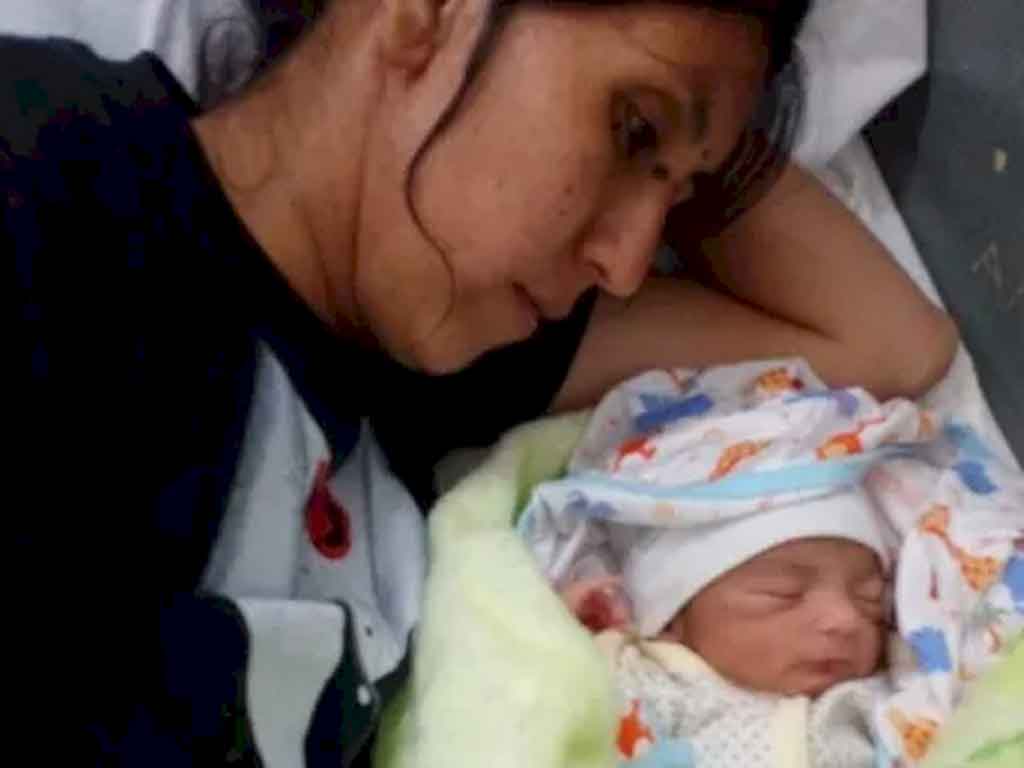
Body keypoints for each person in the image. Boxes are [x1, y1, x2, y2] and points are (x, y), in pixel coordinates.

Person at [6, 0, 956, 765]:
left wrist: (706, 112)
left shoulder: (440, 354)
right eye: (630, 129)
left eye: (675, 194)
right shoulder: (56, 170)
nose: (628, 262)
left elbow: (890, 342)